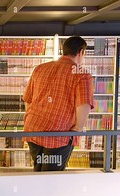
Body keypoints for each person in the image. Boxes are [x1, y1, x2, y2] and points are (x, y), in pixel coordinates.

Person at [23, 36, 94, 171]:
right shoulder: (82, 75)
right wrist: (78, 128)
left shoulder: (40, 68)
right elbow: (84, 104)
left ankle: (36, 191)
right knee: (51, 177)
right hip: (58, 133)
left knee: (38, 168)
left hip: (33, 129)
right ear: (81, 52)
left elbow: (28, 100)